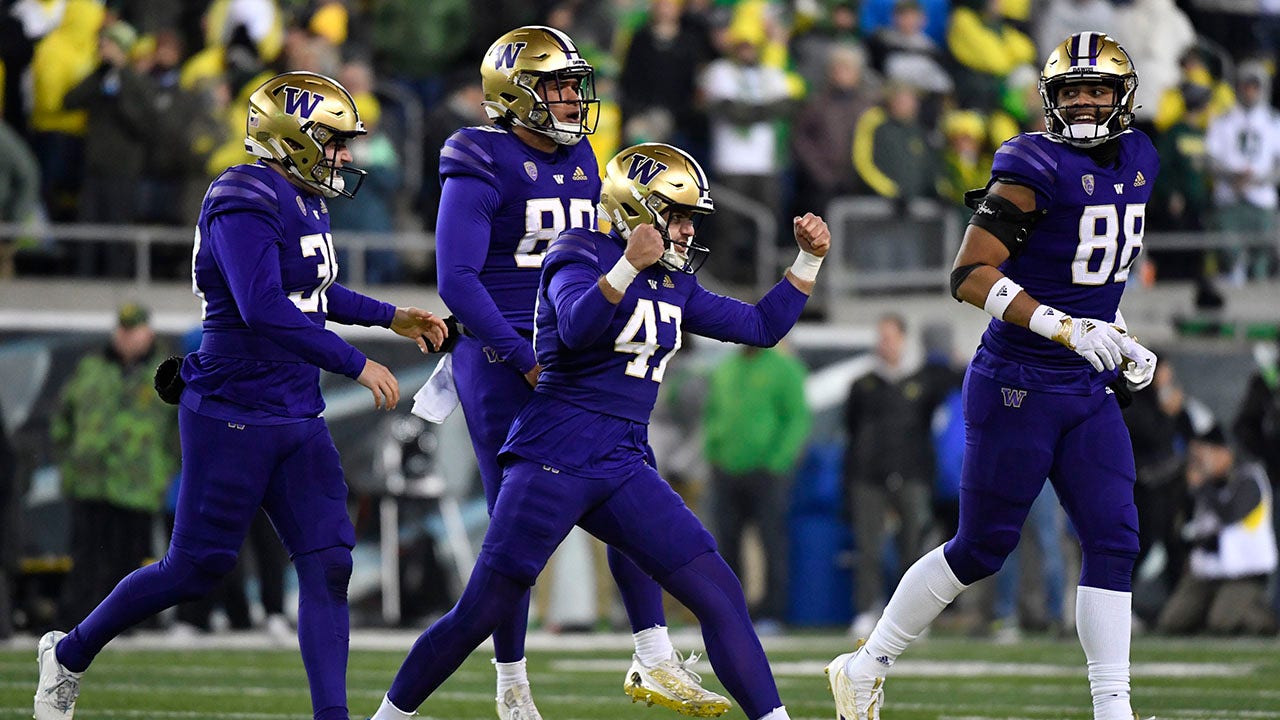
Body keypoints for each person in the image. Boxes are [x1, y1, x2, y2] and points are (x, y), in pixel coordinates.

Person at [33, 70, 448, 720]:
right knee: (194, 569)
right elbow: (262, 307)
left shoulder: (305, 197)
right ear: (292, 138)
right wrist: (353, 361)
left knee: (328, 563)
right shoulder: (243, 194)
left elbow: (316, 290)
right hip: (234, 410)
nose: (344, 156)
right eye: (333, 140)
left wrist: (387, 315)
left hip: (295, 411)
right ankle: (69, 652)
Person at [370, 142, 830, 720]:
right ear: (638, 210)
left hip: (622, 460)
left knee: (718, 592)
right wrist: (627, 265)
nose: (688, 231)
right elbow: (578, 327)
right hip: (553, 455)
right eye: (678, 215)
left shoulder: (675, 282)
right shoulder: (577, 250)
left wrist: (806, 262)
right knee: (481, 611)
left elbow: (761, 326)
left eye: (692, 218)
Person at [827, 32, 1161, 720]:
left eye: (1098, 90)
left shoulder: (1142, 158)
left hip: (1085, 388)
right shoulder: (1030, 164)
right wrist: (1067, 328)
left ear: (1123, 98)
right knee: (981, 548)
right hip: (1020, 380)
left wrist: (1119, 332)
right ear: (1051, 101)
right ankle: (865, 665)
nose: (1087, 103)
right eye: (1073, 92)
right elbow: (970, 274)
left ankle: (1113, 708)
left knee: (1114, 536)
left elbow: (1088, 269)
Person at [428, 26, 725, 720]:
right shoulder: (477, 153)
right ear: (515, 92)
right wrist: (524, 355)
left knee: (631, 482)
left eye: (572, 85)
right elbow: (457, 278)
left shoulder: (584, 154)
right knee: (515, 530)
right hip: (503, 355)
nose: (570, 98)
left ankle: (652, 653)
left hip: (577, 348)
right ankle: (511, 682)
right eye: (556, 85)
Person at [51, 303, 177, 628]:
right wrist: (69, 460)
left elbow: (178, 432)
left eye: (133, 331)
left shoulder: (165, 372)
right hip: (90, 481)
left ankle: (129, 622)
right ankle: (79, 620)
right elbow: (62, 417)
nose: (126, 338)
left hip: (138, 483)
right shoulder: (92, 367)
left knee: (130, 559)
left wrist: (163, 469)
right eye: (122, 330)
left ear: (148, 332)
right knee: (86, 557)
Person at [702, 343, 811, 631]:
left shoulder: (784, 367)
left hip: (767, 471)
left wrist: (778, 460)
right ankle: (730, 613)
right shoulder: (726, 368)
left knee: (771, 542)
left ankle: (773, 614)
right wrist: (713, 452)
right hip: (726, 469)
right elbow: (713, 414)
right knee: (725, 544)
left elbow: (796, 417)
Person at [1155, 421, 1277, 636]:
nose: (1201, 463)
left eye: (1207, 455)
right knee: (1172, 622)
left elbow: (1229, 514)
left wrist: (1202, 486)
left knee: (1221, 623)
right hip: (1207, 572)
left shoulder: (1250, 478)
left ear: (1225, 452)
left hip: (1244, 572)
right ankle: (1216, 609)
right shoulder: (1205, 485)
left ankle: (1261, 615)